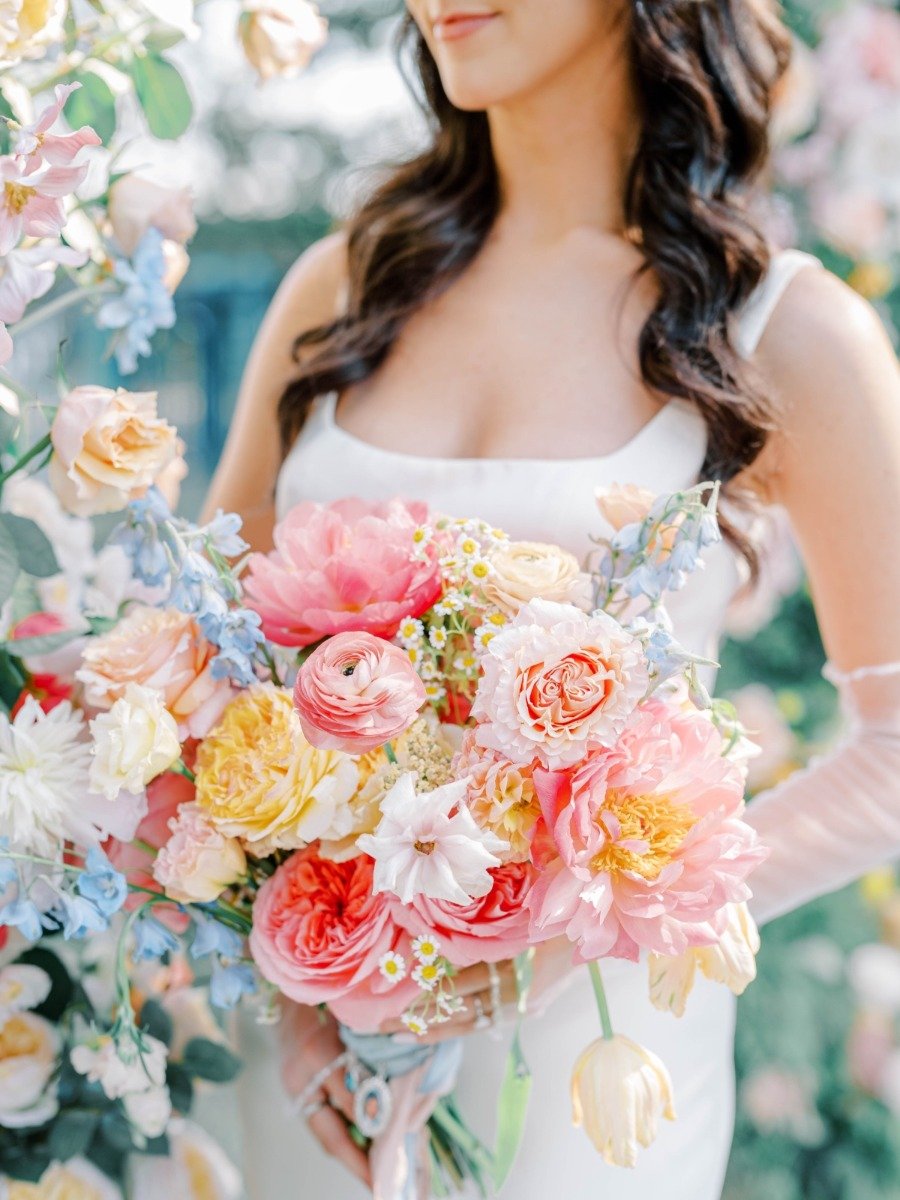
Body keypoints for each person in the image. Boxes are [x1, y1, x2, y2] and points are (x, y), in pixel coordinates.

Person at [202, 2, 900, 1197]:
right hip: (313, 1073)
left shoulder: (782, 331)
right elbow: (210, 673)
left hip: (594, 1076)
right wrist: (287, 985)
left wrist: (592, 923)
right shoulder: (341, 287)